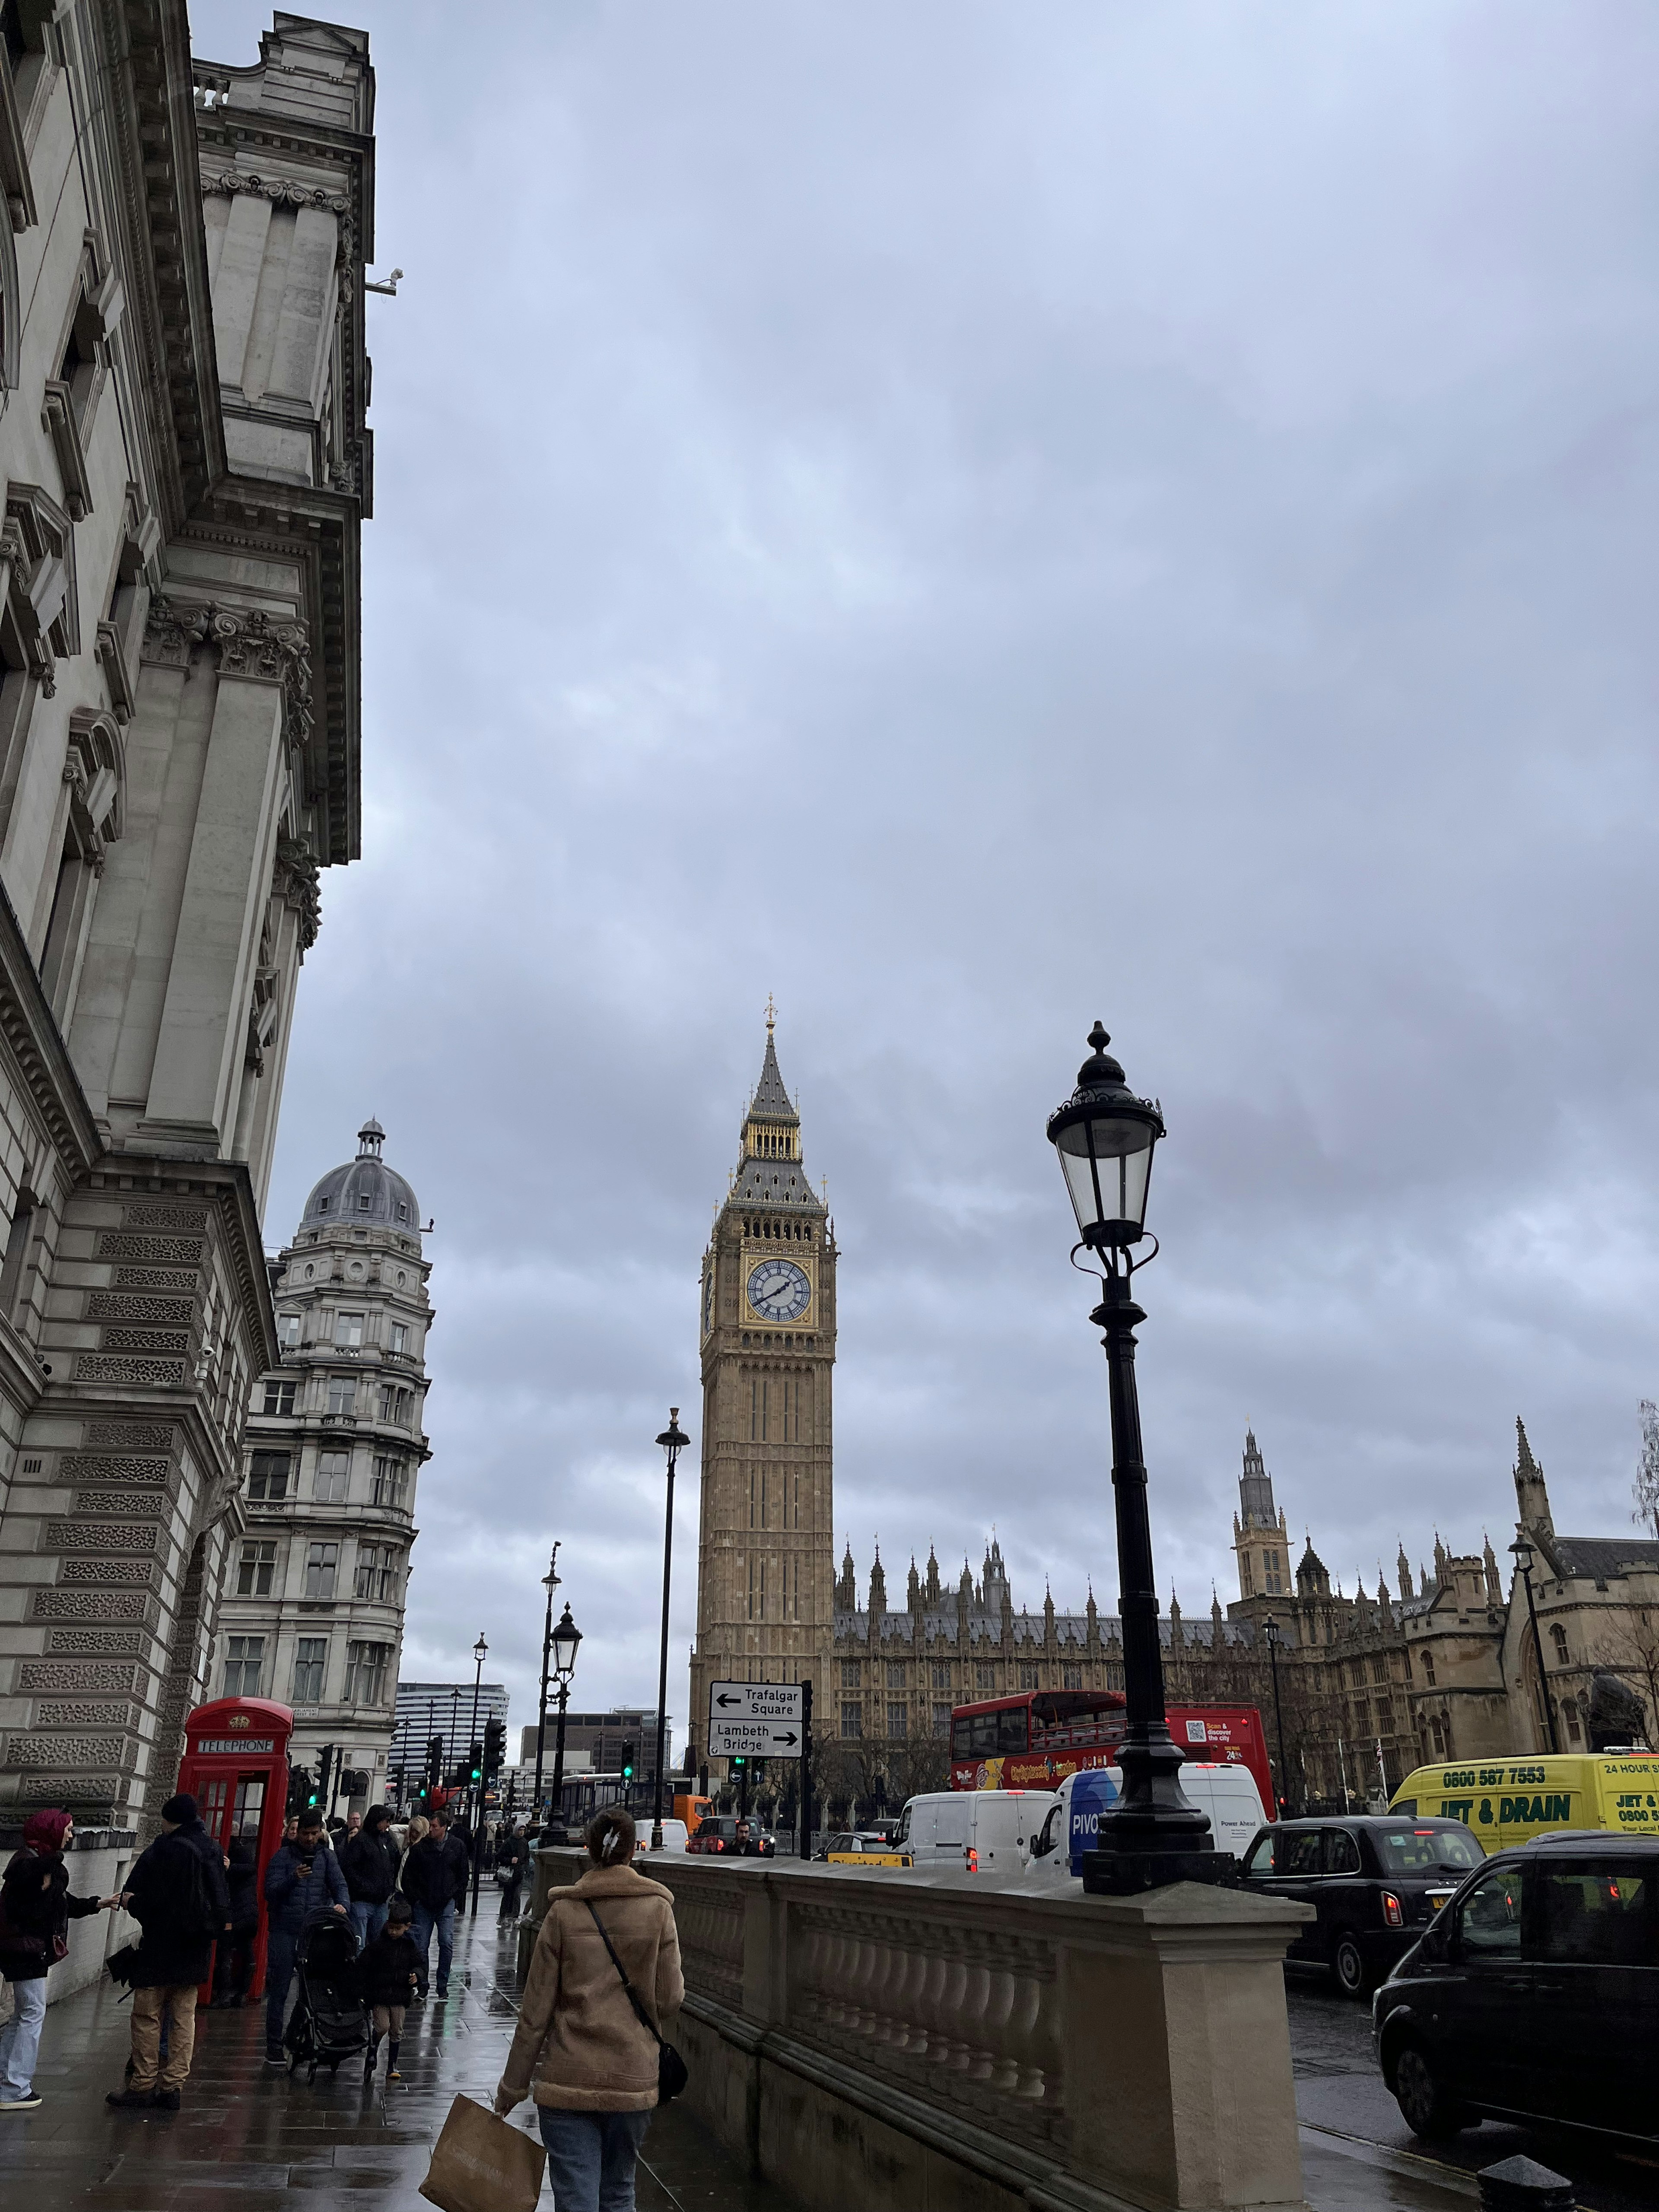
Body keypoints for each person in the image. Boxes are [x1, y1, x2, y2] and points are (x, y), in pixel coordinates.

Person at [495, 1808, 683, 2212]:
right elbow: (669, 2001)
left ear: (590, 1848)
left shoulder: (563, 1913)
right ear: (633, 1851)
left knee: (576, 2199)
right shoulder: (658, 1910)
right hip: (632, 2079)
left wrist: (512, 2087)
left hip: (569, 2079)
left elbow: (535, 2015)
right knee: (618, 2193)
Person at [106, 1793, 230, 2113]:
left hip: (160, 1949)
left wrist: (131, 1902)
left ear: (168, 1818)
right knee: (183, 2019)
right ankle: (173, 2086)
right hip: (196, 1950)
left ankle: (143, 2084)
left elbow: (148, 1903)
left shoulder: (163, 1849)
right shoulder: (213, 1849)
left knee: (148, 2016)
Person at [0, 1810, 119, 2112]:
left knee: (24, 2013)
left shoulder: (36, 1863)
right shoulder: (31, 1866)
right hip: (24, 1950)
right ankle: (14, 2088)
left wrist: (97, 1904)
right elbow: (31, 1912)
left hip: (25, 1949)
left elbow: (61, 1905)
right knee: (32, 2014)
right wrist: (48, 1881)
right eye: (67, 1829)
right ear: (51, 1831)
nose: (71, 1834)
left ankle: (7, 2078)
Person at [262, 1808, 350, 2065]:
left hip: (315, 1934)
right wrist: (293, 1878)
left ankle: (302, 2038)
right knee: (279, 1990)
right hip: (285, 1930)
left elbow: (340, 1885)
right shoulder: (283, 1857)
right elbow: (270, 1891)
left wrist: (343, 1904)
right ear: (296, 1833)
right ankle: (274, 2046)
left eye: (314, 1833)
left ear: (320, 1832)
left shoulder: (328, 1858)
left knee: (312, 1990)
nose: (310, 1839)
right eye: (305, 1834)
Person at [401, 1808, 468, 1999]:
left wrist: (455, 1896)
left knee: (446, 1943)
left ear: (445, 1828)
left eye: (435, 1827)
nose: (431, 1830)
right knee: (422, 1946)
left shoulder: (457, 1846)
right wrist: (415, 1898)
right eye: (431, 1826)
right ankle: (423, 1985)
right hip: (424, 1903)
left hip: (445, 1902)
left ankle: (442, 1985)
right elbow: (409, 1876)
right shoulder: (421, 1848)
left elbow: (463, 1875)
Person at [360, 1896, 421, 2083]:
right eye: (391, 1927)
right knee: (382, 2027)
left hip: (401, 1995)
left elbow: (420, 1964)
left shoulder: (411, 1946)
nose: (393, 1932)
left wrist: (417, 1975)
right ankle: (373, 2048)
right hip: (380, 1995)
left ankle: (392, 2065)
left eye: (398, 1928)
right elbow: (364, 1964)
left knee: (397, 2030)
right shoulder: (378, 1946)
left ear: (407, 1927)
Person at [339, 1805, 399, 1948]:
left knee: (378, 1944)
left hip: (380, 1902)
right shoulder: (360, 1840)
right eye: (386, 1821)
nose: (388, 1825)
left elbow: (389, 1866)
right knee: (359, 1943)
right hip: (362, 1901)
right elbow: (349, 1869)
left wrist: (388, 1887)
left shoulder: (383, 1840)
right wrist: (364, 1887)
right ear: (377, 1820)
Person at [212, 1837, 260, 2007]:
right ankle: (243, 1994)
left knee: (225, 1953)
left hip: (235, 1916)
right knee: (247, 1952)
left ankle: (223, 1995)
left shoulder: (234, 1868)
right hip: (250, 1916)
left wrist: (228, 1867)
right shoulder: (250, 1865)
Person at [496, 1822, 530, 1920]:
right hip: (509, 1873)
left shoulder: (524, 1842)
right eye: (520, 1830)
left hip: (519, 1873)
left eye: (523, 1830)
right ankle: (503, 1915)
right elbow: (499, 1856)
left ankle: (515, 1916)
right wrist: (510, 1860)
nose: (522, 1832)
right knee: (507, 1895)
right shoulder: (509, 1842)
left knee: (517, 1896)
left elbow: (527, 1857)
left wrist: (525, 1868)